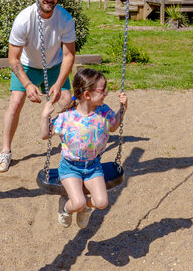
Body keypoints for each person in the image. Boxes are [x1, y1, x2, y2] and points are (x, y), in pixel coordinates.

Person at [0, 0, 76, 173]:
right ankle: (5, 151)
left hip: (54, 64)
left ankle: (70, 143)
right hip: (28, 65)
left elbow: (69, 55)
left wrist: (59, 82)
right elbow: (13, 59)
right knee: (16, 102)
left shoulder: (65, 19)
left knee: (66, 100)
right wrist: (28, 84)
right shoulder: (24, 19)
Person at [40, 68, 128, 228]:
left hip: (93, 167)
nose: (106, 94)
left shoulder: (104, 112)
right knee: (77, 202)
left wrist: (123, 109)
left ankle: (86, 207)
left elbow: (114, 127)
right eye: (102, 91)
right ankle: (66, 208)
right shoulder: (67, 118)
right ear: (87, 95)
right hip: (70, 168)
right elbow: (45, 135)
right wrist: (45, 116)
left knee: (101, 202)